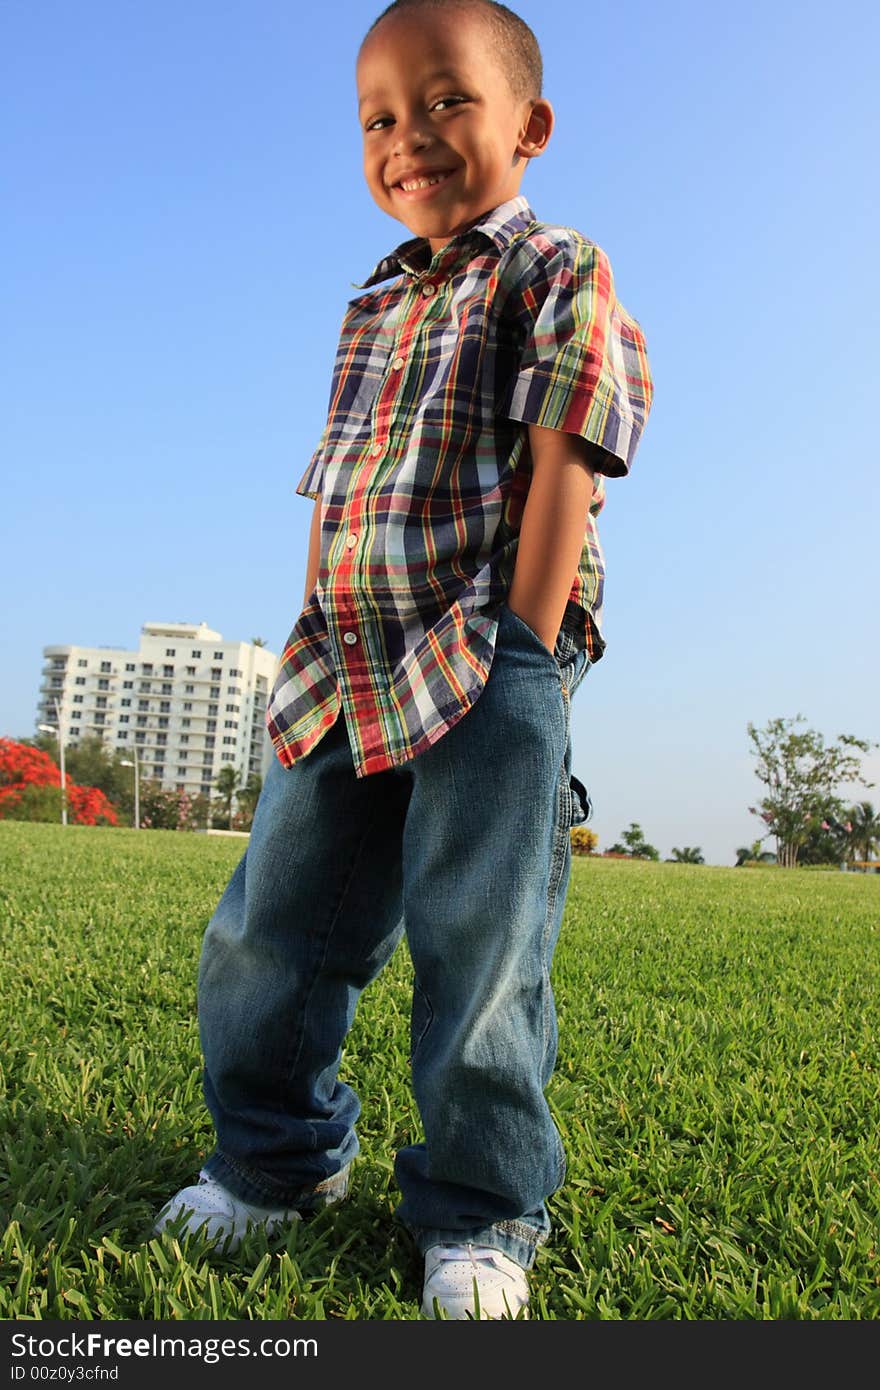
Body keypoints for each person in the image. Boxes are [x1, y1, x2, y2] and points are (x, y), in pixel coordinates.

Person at [155, 0, 653, 1319]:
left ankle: (481, 1211)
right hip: (349, 650)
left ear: (529, 127)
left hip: (487, 646)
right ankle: (275, 1158)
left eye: (445, 103)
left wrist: (524, 651)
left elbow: (566, 463)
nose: (409, 138)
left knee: (477, 938)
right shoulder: (372, 298)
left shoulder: (560, 269)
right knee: (276, 918)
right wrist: (308, 623)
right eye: (380, 118)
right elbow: (336, 484)